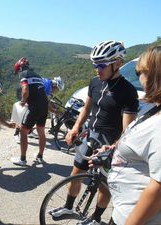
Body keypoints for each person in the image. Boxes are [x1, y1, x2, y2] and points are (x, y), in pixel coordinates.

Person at [49, 41, 139, 225]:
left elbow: (127, 130)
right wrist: (75, 128)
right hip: (91, 136)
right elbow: (87, 108)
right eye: (95, 65)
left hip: (111, 142)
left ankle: (96, 218)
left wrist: (113, 149)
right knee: (75, 173)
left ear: (118, 63)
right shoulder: (95, 83)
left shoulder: (128, 91)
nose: (97, 69)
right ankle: (68, 206)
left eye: (101, 65)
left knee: (104, 185)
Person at [104, 45, 161, 225]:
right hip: (124, 211)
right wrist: (116, 149)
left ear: (154, 76)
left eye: (140, 72)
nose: (139, 78)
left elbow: (158, 189)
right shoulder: (154, 109)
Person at [12, 57, 49, 165]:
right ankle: (40, 157)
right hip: (44, 105)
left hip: (35, 106)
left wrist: (23, 101)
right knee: (41, 131)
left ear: (19, 69)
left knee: (23, 131)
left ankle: (22, 159)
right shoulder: (37, 75)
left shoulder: (23, 74)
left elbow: (25, 90)